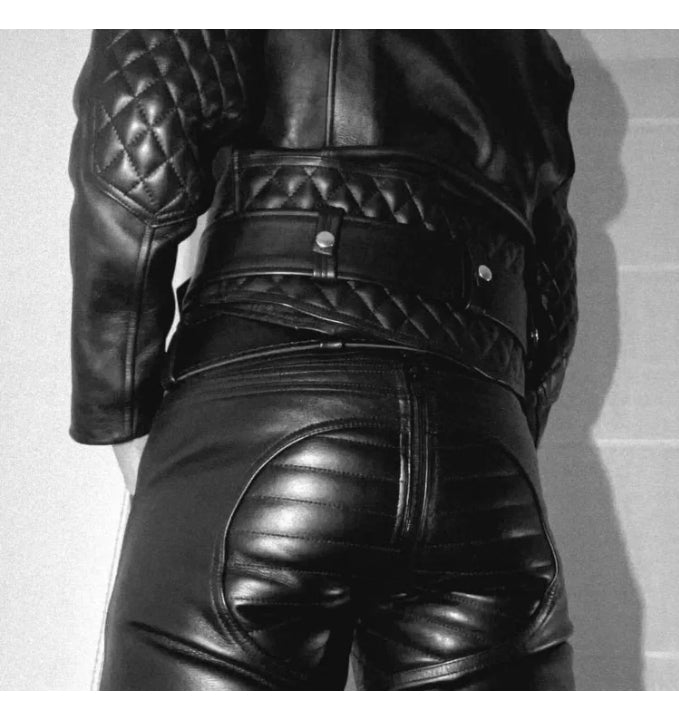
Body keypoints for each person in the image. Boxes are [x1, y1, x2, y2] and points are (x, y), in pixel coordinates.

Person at [68, 30, 579, 690]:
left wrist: (124, 416)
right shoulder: (530, 44)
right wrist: (501, 430)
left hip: (266, 418)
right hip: (486, 462)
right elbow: (552, 292)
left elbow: (138, 137)